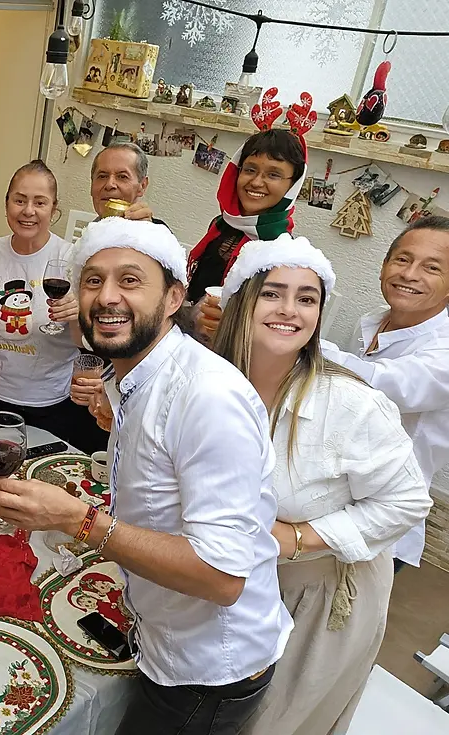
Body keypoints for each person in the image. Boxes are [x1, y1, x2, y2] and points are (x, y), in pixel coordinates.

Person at [0, 217, 291, 735]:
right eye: (93, 280)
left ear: (174, 297)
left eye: (130, 280)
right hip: (156, 623)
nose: (108, 297)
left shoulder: (207, 397)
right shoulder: (130, 375)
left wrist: (80, 521)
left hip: (204, 668)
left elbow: (222, 578)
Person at [211, 235, 430, 734]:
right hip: (235, 583)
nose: (289, 310)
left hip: (321, 598)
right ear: (242, 299)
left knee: (271, 721)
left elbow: (408, 500)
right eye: (272, 293)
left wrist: (295, 538)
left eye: (306, 298)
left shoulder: (350, 405)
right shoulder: (214, 385)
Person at [321, 216, 449, 572]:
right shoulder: (374, 320)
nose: (409, 274)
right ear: (384, 267)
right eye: (403, 259)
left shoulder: (444, 348)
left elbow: (383, 384)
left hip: (382, 518)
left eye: (432, 267)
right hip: (332, 496)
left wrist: (290, 333)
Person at [0, 160, 106, 453]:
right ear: (7, 203)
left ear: (53, 209)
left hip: (52, 400)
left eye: (40, 202)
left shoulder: (73, 259)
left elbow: (83, 340)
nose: (28, 211)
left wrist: (76, 315)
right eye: (19, 200)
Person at [186, 129, 308, 303]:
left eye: (273, 175)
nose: (256, 182)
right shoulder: (221, 224)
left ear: (292, 186)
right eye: (250, 170)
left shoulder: (281, 251)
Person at [89, 142, 161, 222]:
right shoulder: (91, 231)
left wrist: (144, 231)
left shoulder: (157, 233)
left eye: (122, 176)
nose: (109, 184)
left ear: (142, 186)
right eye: (102, 176)